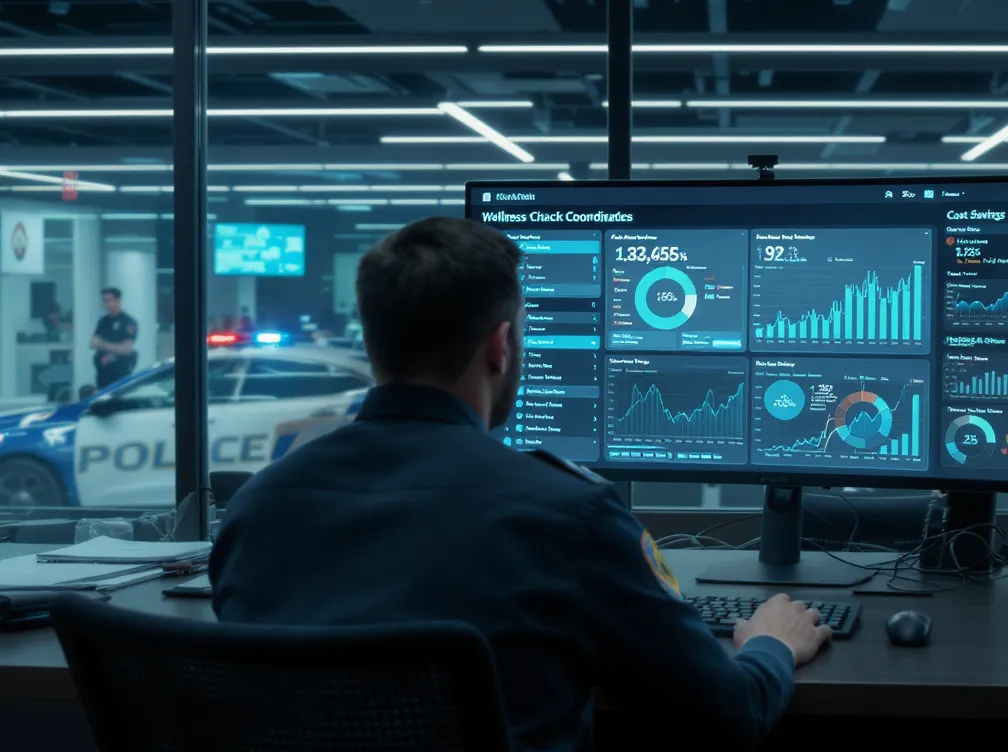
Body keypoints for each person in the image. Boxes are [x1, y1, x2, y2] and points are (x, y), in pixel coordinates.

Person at [209, 217, 829, 751]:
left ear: (371, 342)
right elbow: (726, 717)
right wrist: (772, 645)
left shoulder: (258, 504)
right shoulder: (566, 514)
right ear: (501, 347)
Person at [91, 287, 137, 389]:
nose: (105, 304)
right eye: (104, 300)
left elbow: (126, 349)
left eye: (108, 300)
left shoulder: (128, 322)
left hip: (119, 371)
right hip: (103, 372)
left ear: (117, 300)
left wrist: (103, 345)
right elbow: (93, 343)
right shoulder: (103, 321)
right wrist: (115, 347)